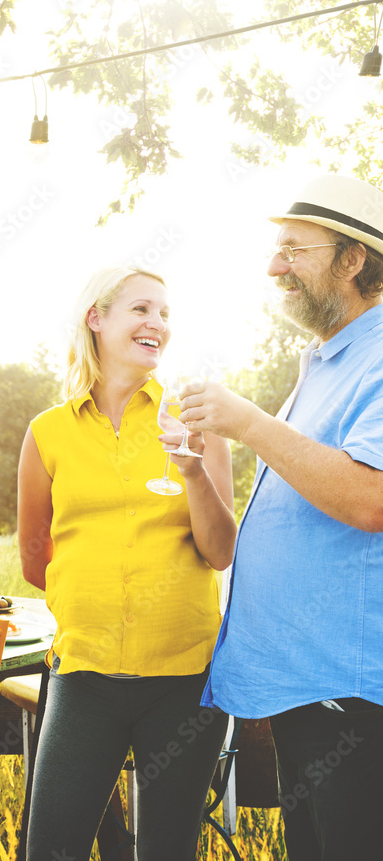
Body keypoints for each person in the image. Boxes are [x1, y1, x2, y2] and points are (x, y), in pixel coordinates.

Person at [182, 174, 383, 860]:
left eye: (293, 249)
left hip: (352, 695)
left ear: (352, 259)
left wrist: (247, 421)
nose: (274, 266)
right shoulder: (328, 359)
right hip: (310, 686)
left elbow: (370, 499)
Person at [18, 266, 237, 860]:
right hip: (83, 676)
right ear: (97, 318)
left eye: (165, 314)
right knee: (50, 849)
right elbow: (35, 560)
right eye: (142, 309)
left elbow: (221, 551)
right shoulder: (47, 434)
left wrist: (191, 469)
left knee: (168, 851)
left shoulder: (195, 420)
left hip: (184, 681)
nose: (157, 325)